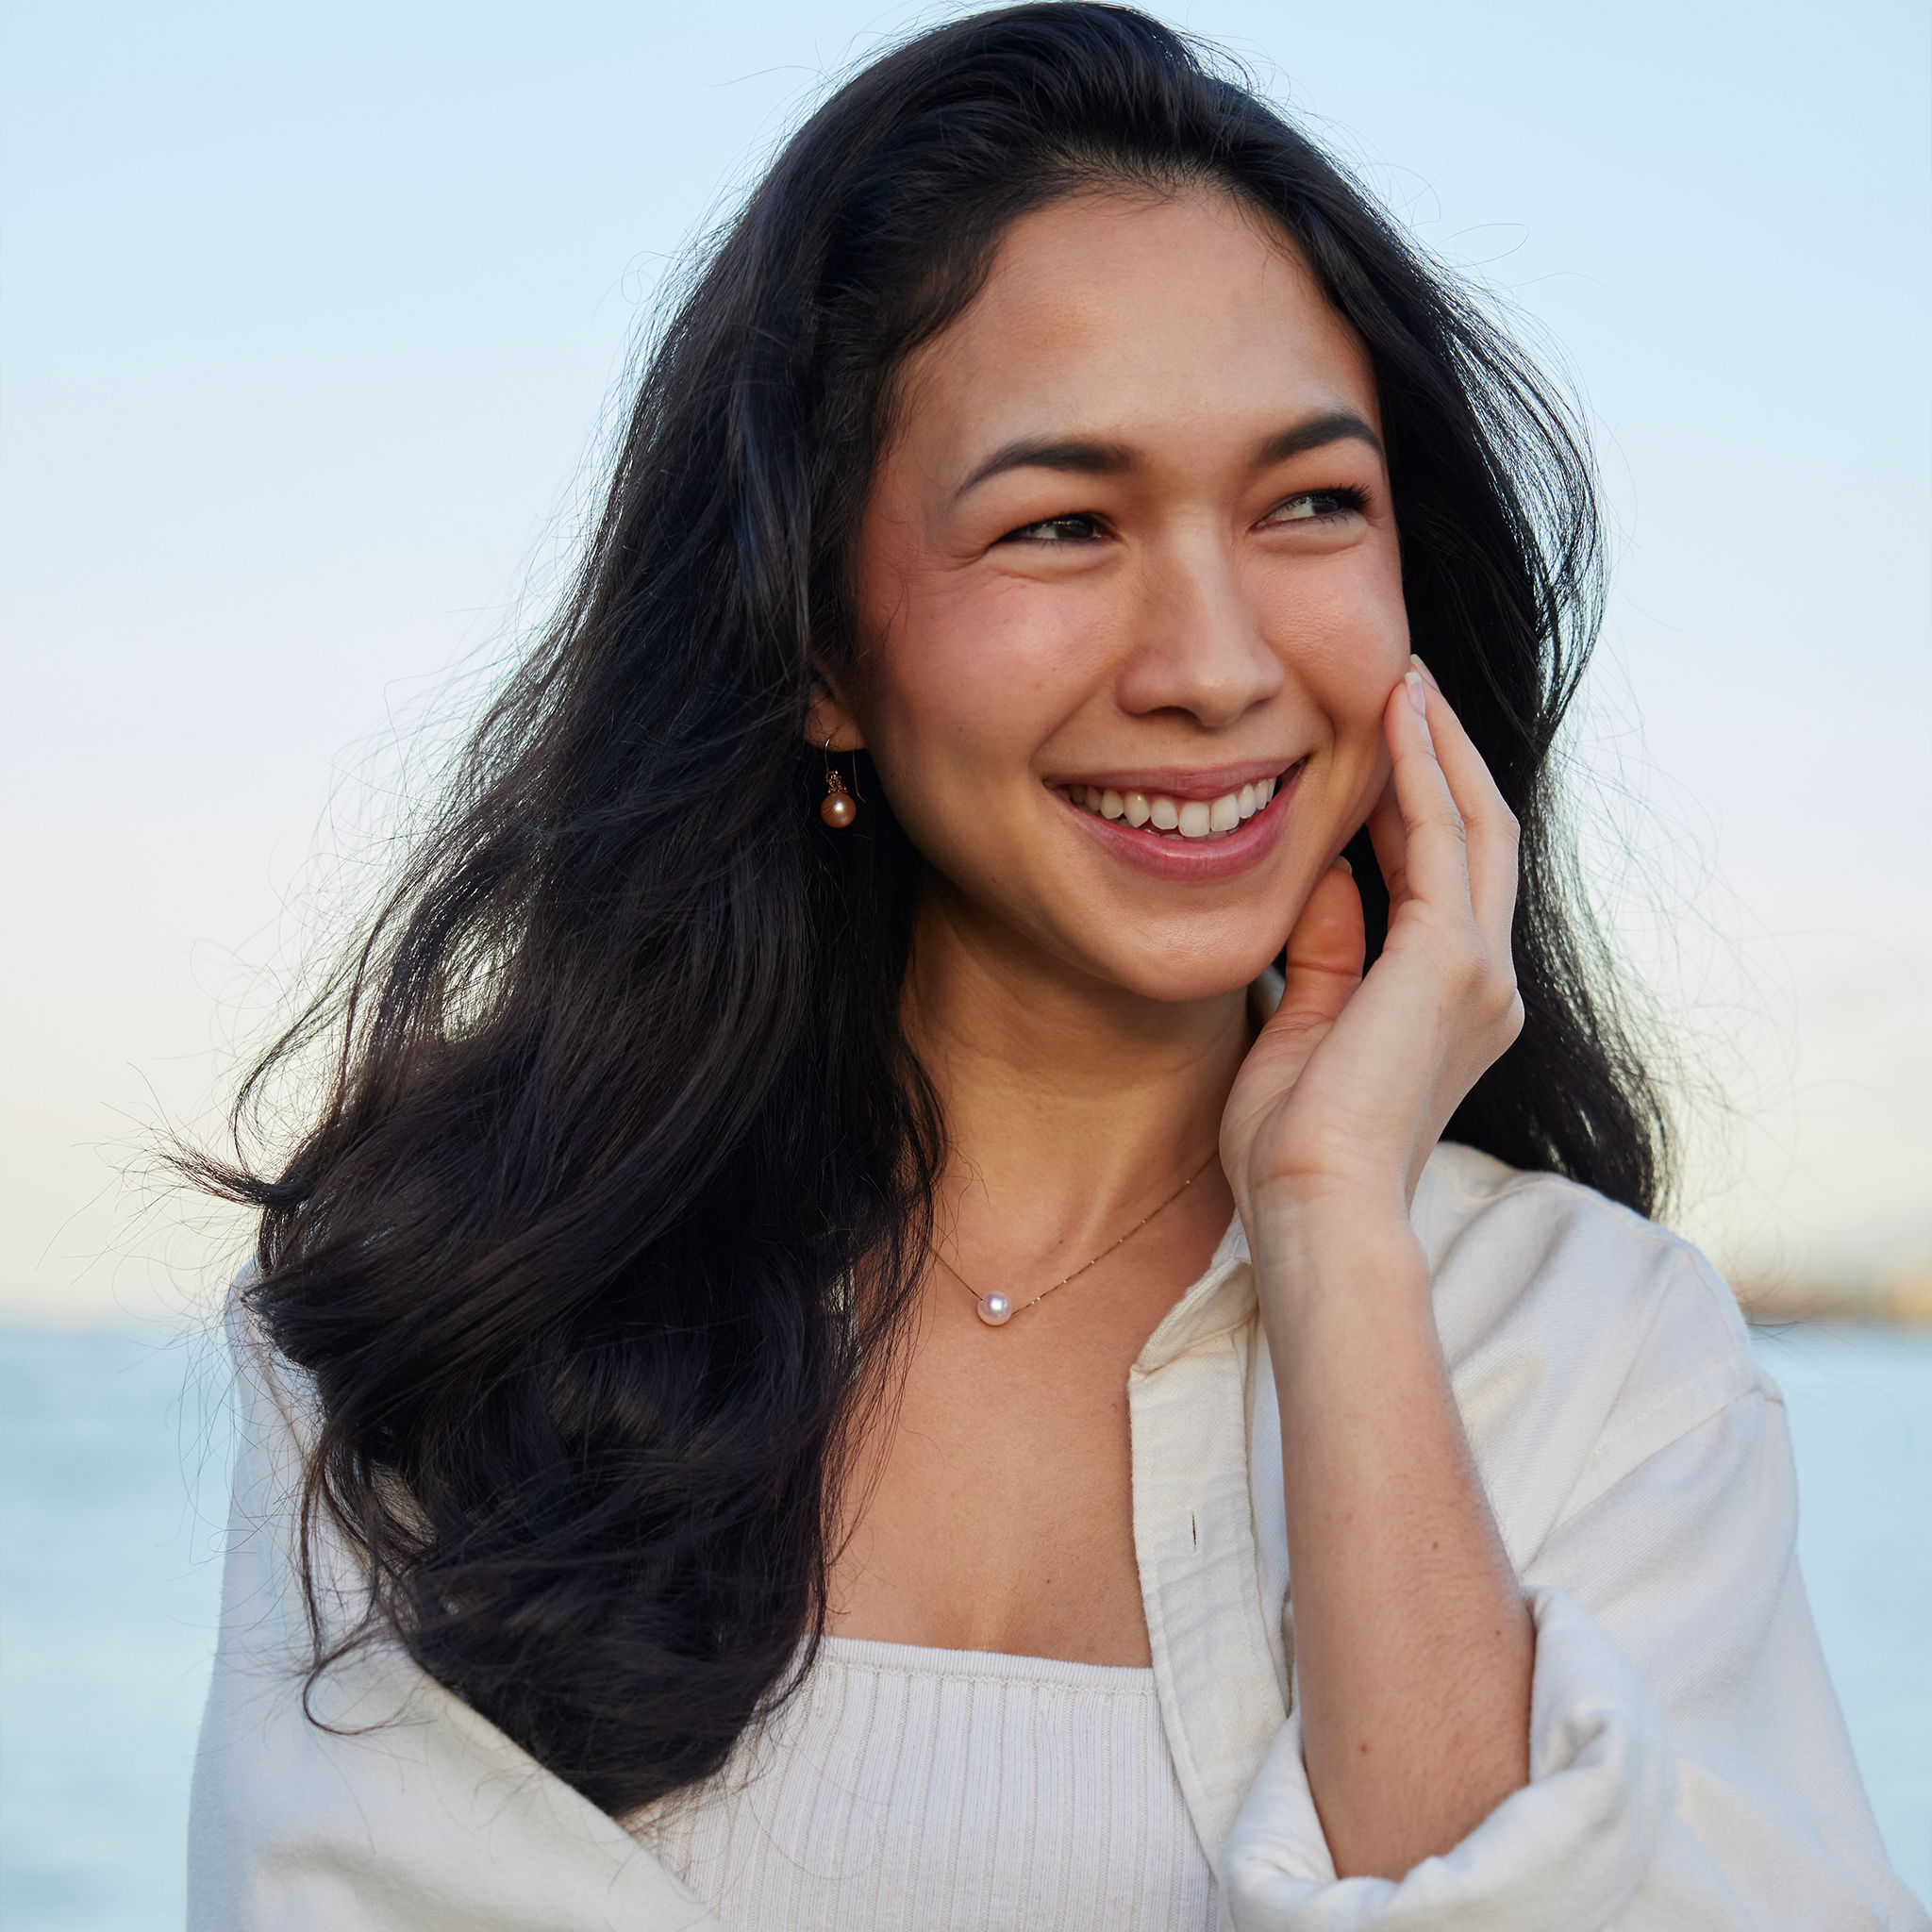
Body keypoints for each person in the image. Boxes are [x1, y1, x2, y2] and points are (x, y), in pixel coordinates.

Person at [185, 7, 1925, 1927]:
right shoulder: (449, 1315)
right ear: (818, 649)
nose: (1214, 665)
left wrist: (1333, 1227)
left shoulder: (1605, 1359)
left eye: (1309, 505)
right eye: (1065, 524)